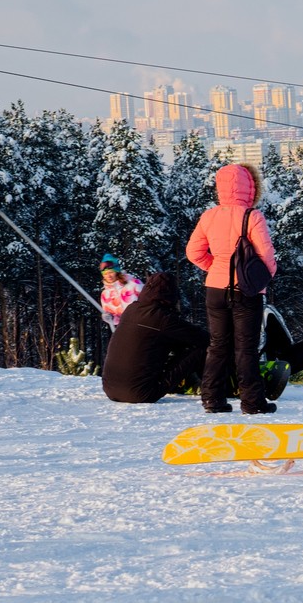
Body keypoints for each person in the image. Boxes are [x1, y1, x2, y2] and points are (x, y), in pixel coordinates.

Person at [185, 161, 278, 415]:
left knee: (217, 345)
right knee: (246, 347)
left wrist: (216, 268)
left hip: (214, 290)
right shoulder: (252, 216)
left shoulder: (209, 216)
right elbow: (266, 255)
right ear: (251, 187)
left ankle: (212, 399)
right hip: (246, 291)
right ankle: (252, 402)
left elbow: (193, 252)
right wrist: (262, 279)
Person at [100, 272, 209, 404]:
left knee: (167, 343)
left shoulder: (131, 310)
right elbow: (203, 338)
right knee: (199, 348)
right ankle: (212, 387)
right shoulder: (162, 318)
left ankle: (189, 382)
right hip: (141, 393)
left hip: (110, 389)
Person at [97, 255, 143, 329]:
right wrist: (109, 318)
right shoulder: (105, 295)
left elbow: (147, 302)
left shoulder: (134, 283)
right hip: (125, 328)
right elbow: (115, 319)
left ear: (117, 272)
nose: (109, 276)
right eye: (105, 274)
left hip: (143, 324)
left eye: (111, 272)